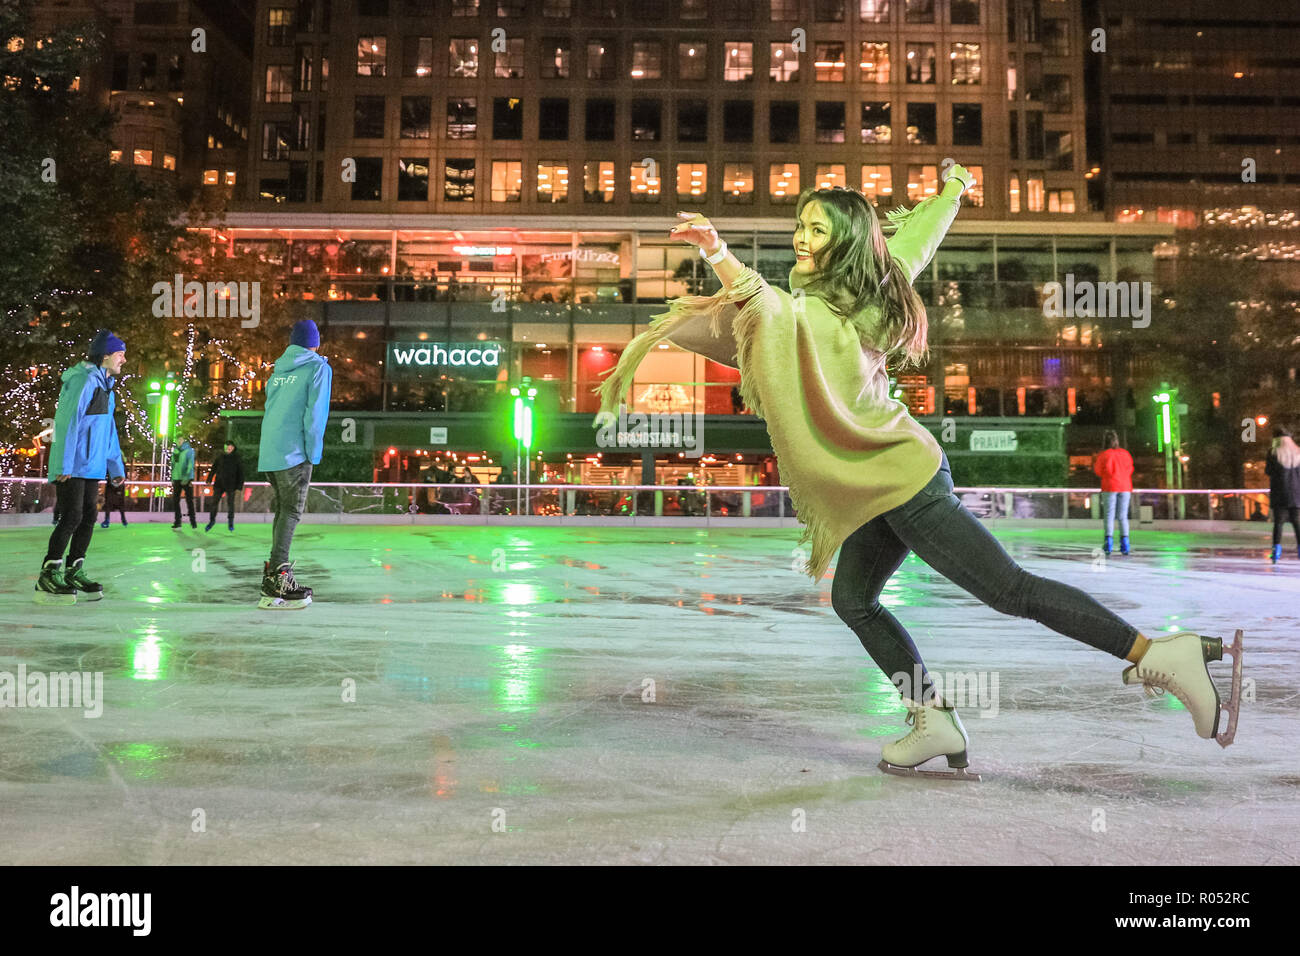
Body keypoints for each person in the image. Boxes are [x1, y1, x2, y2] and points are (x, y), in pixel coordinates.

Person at [593, 167, 1243, 778]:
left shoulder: (847, 310)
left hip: (904, 480)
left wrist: (711, 256)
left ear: (844, 243)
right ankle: (932, 719)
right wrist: (951, 190)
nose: (801, 236)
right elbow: (915, 239)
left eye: (816, 227)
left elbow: (752, 304)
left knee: (1008, 589)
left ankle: (1159, 656)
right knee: (855, 599)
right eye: (802, 223)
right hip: (877, 489)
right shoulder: (836, 300)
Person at [35, 329, 127, 604]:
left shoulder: (106, 386)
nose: (124, 360)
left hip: (93, 465)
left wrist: (116, 466)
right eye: (120, 355)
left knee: (88, 516)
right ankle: (49, 573)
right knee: (72, 516)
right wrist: (63, 462)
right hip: (72, 465)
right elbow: (67, 422)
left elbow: (108, 430)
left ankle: (75, 569)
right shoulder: (84, 380)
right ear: (106, 356)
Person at [257, 319, 333, 609]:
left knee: (283, 511)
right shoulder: (317, 368)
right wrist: (314, 453)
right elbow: (315, 416)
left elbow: (271, 409)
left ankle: (272, 577)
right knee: (291, 511)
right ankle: (279, 576)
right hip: (294, 453)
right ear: (315, 344)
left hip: (271, 452)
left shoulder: (277, 372)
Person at [1094, 429, 1135, 555]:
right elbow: (1130, 469)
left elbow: (1098, 471)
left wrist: (1108, 475)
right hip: (1125, 487)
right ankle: (1125, 544)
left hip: (1110, 486)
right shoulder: (1125, 454)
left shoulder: (1103, 455)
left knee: (1109, 515)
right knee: (1123, 516)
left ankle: (1108, 544)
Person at [1265, 424, 1300, 563]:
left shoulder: (1274, 452)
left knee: (1278, 523)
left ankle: (1276, 552)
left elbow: (1268, 471)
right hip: (1297, 493)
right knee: (1298, 523)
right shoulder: (1298, 451)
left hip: (1280, 492)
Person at [205, 440, 246, 532]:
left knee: (230, 504)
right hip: (219, 484)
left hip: (231, 485)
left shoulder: (237, 458)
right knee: (214, 503)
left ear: (233, 448)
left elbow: (241, 473)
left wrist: (239, 486)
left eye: (230, 446)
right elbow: (214, 468)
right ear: (224, 447)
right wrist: (209, 479)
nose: (228, 448)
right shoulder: (220, 457)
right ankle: (212, 521)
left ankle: (230, 522)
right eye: (227, 446)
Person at [169, 436, 197, 529]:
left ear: (183, 440)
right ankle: (178, 521)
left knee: (189, 500)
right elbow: (173, 464)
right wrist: (172, 477)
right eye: (177, 440)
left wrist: (187, 477)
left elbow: (190, 464)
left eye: (180, 439)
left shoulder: (189, 451)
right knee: (175, 500)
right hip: (177, 477)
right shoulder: (175, 451)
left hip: (186, 478)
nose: (179, 441)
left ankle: (193, 522)